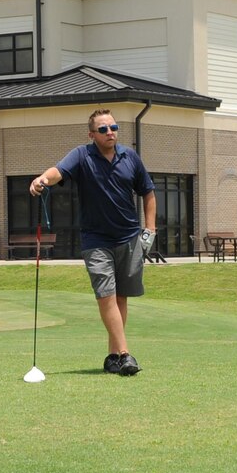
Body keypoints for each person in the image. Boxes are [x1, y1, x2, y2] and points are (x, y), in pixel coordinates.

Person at [29, 108, 156, 375]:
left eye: (113, 127)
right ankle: (125, 354)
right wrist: (42, 179)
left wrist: (150, 231)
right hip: (96, 241)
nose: (110, 132)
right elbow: (58, 171)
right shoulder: (82, 155)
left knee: (121, 297)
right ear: (92, 134)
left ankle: (112, 357)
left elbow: (148, 192)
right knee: (106, 296)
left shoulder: (130, 157)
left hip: (129, 237)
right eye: (103, 129)